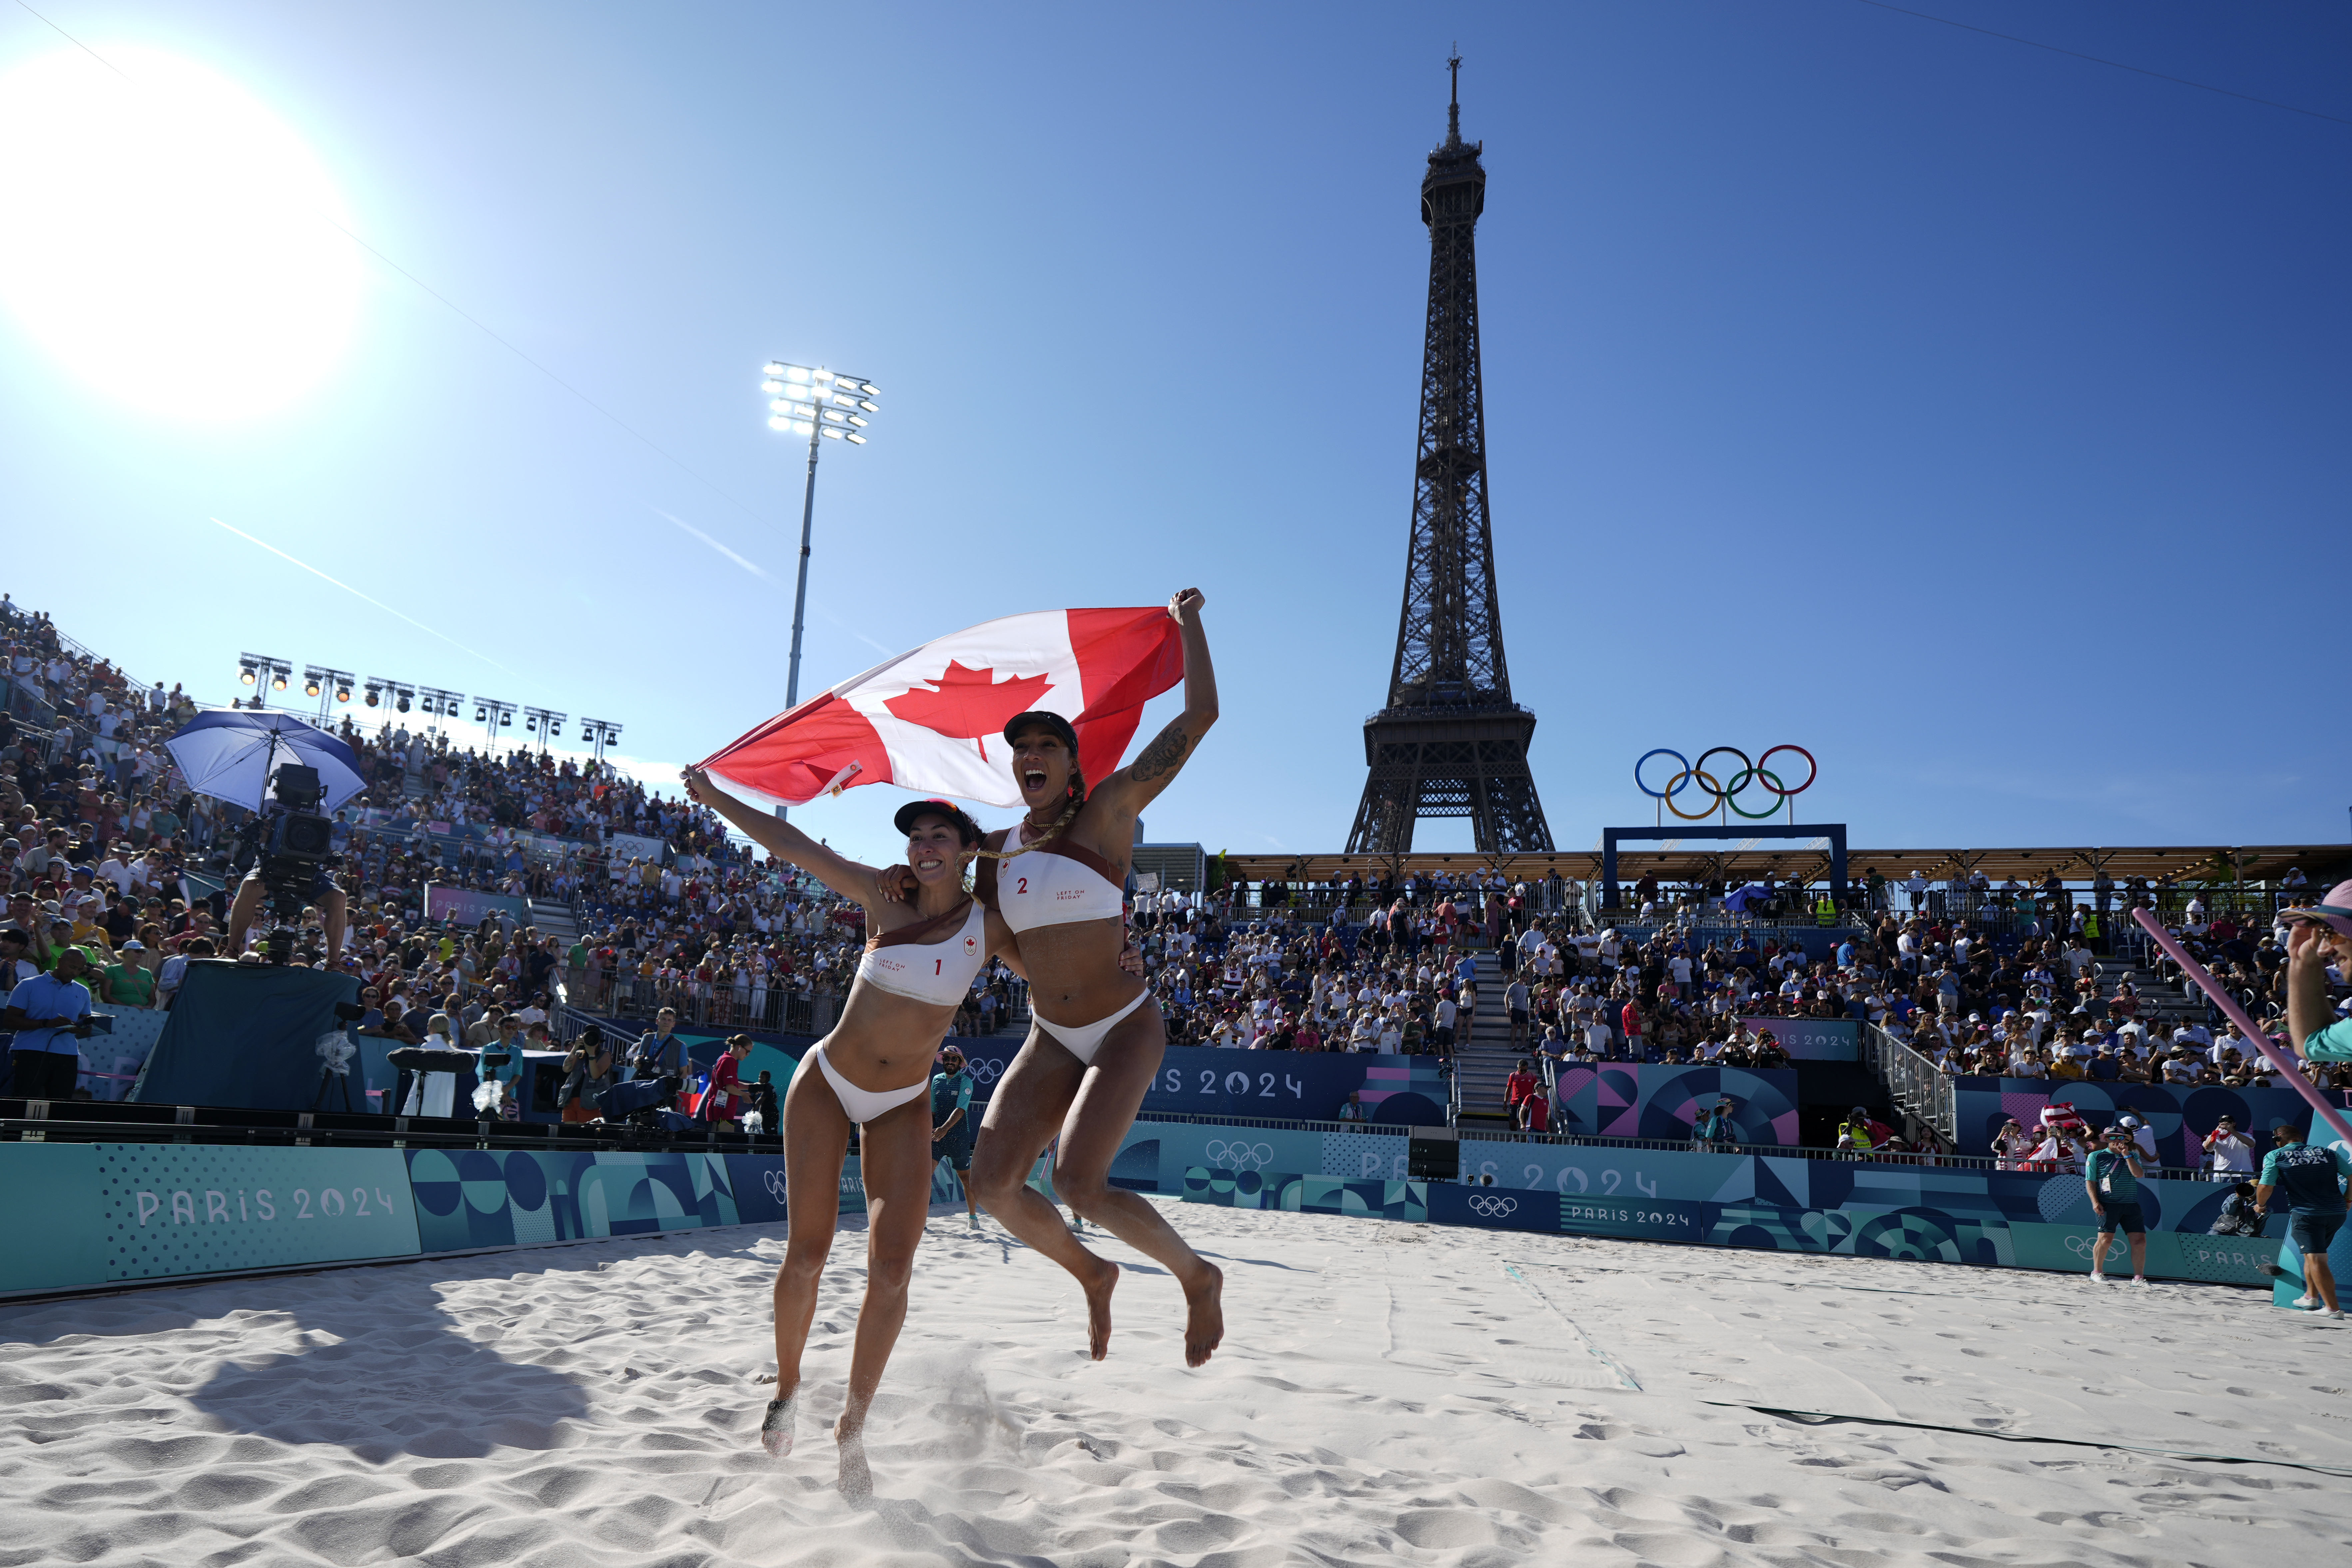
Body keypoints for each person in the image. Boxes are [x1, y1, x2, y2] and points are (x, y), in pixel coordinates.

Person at [907, 588, 1224, 1367]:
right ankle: (1092, 1271)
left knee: (1079, 1181)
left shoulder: (1111, 808)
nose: (1031, 755)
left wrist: (1190, 630)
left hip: (1122, 1025)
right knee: (989, 1184)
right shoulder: (1000, 850)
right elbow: (996, 938)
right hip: (1051, 1032)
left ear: (1073, 761)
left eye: (1047, 744)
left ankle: (1197, 1275)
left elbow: (1197, 720)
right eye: (1021, 748)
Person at [683, 772, 1026, 1487]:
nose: (924, 846)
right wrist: (716, 797)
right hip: (827, 1086)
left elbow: (1061, 975)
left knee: (893, 1268)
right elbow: (790, 842)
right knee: (806, 1253)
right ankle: (786, 1388)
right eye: (916, 834)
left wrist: (1118, 959)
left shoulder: (988, 927)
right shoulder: (882, 894)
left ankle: (853, 1423)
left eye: (940, 835)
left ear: (969, 849)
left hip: (903, 1100)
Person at [2255, 1122, 2351, 1318]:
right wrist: (2348, 1199)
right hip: (2337, 1213)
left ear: (2278, 1140)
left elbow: (2266, 1187)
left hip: (2308, 1214)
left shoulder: (2276, 1155)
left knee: (2317, 1258)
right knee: (2312, 1255)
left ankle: (2333, 1309)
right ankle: (2310, 1297)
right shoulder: (2327, 1153)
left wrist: (2261, 1206)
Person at [2, 945, 94, 1099]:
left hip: (67, 1054)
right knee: (23, 1102)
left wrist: (80, 1029)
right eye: (72, 967)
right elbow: (10, 1021)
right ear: (59, 961)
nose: (75, 973)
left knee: (60, 1107)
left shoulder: (83, 991)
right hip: (30, 1051)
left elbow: (87, 1027)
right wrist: (46, 1024)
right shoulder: (28, 985)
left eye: (79, 970)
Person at [2085, 1125, 2150, 1287]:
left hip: (2130, 1204)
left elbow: (2139, 1175)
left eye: (2120, 1137)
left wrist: (2126, 1155)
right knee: (2105, 1239)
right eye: (2112, 1137)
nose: (2117, 1141)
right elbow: (2090, 1181)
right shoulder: (2096, 1156)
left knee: (2140, 1242)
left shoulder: (2133, 1156)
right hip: (2108, 1204)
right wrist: (2095, 1202)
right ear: (2106, 1140)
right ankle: (2097, 1273)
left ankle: (2138, 1278)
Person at [931, 1045, 978, 1227]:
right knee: (927, 1175)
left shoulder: (966, 1082)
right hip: (937, 1135)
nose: (950, 1062)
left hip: (958, 1136)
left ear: (960, 1063)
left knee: (966, 1178)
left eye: (954, 1059)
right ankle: (920, 1221)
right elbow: (933, 1112)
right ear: (943, 1061)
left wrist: (944, 1128)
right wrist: (932, 1129)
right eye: (947, 1059)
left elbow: (960, 1110)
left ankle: (973, 1218)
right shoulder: (936, 1080)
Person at [698, 1034, 752, 1128]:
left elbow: (732, 1084)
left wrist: (752, 1087)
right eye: (747, 1052)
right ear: (739, 1047)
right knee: (722, 1142)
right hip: (721, 1112)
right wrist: (744, 1095)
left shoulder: (725, 1058)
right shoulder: (729, 1061)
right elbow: (730, 1088)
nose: (748, 1055)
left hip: (720, 1110)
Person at [2202, 1115, 2256, 1183]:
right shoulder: (2215, 1136)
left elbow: (2252, 1144)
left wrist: (2232, 1131)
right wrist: (2215, 1133)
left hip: (2244, 1175)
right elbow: (2207, 1148)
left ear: (2234, 1124)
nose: (2225, 1124)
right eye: (2222, 1122)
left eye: (2229, 1122)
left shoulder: (2245, 1135)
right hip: (2222, 1175)